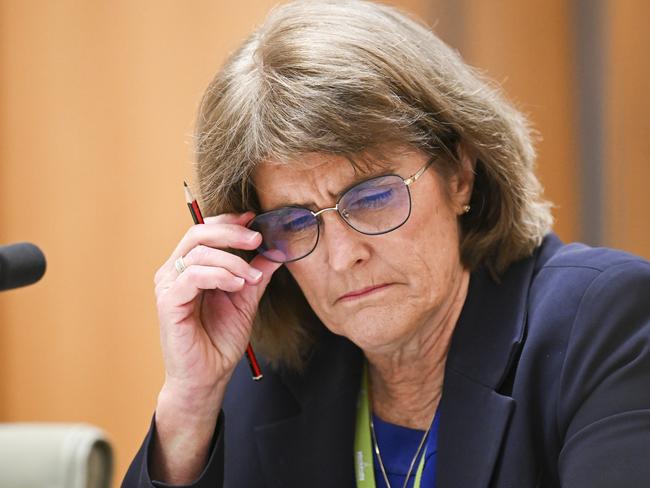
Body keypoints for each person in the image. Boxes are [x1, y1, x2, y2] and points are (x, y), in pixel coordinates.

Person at [122, 1, 650, 487]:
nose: (341, 254)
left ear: (459, 174)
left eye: (372, 197)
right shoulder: (270, 377)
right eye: (294, 222)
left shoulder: (600, 324)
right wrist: (190, 404)